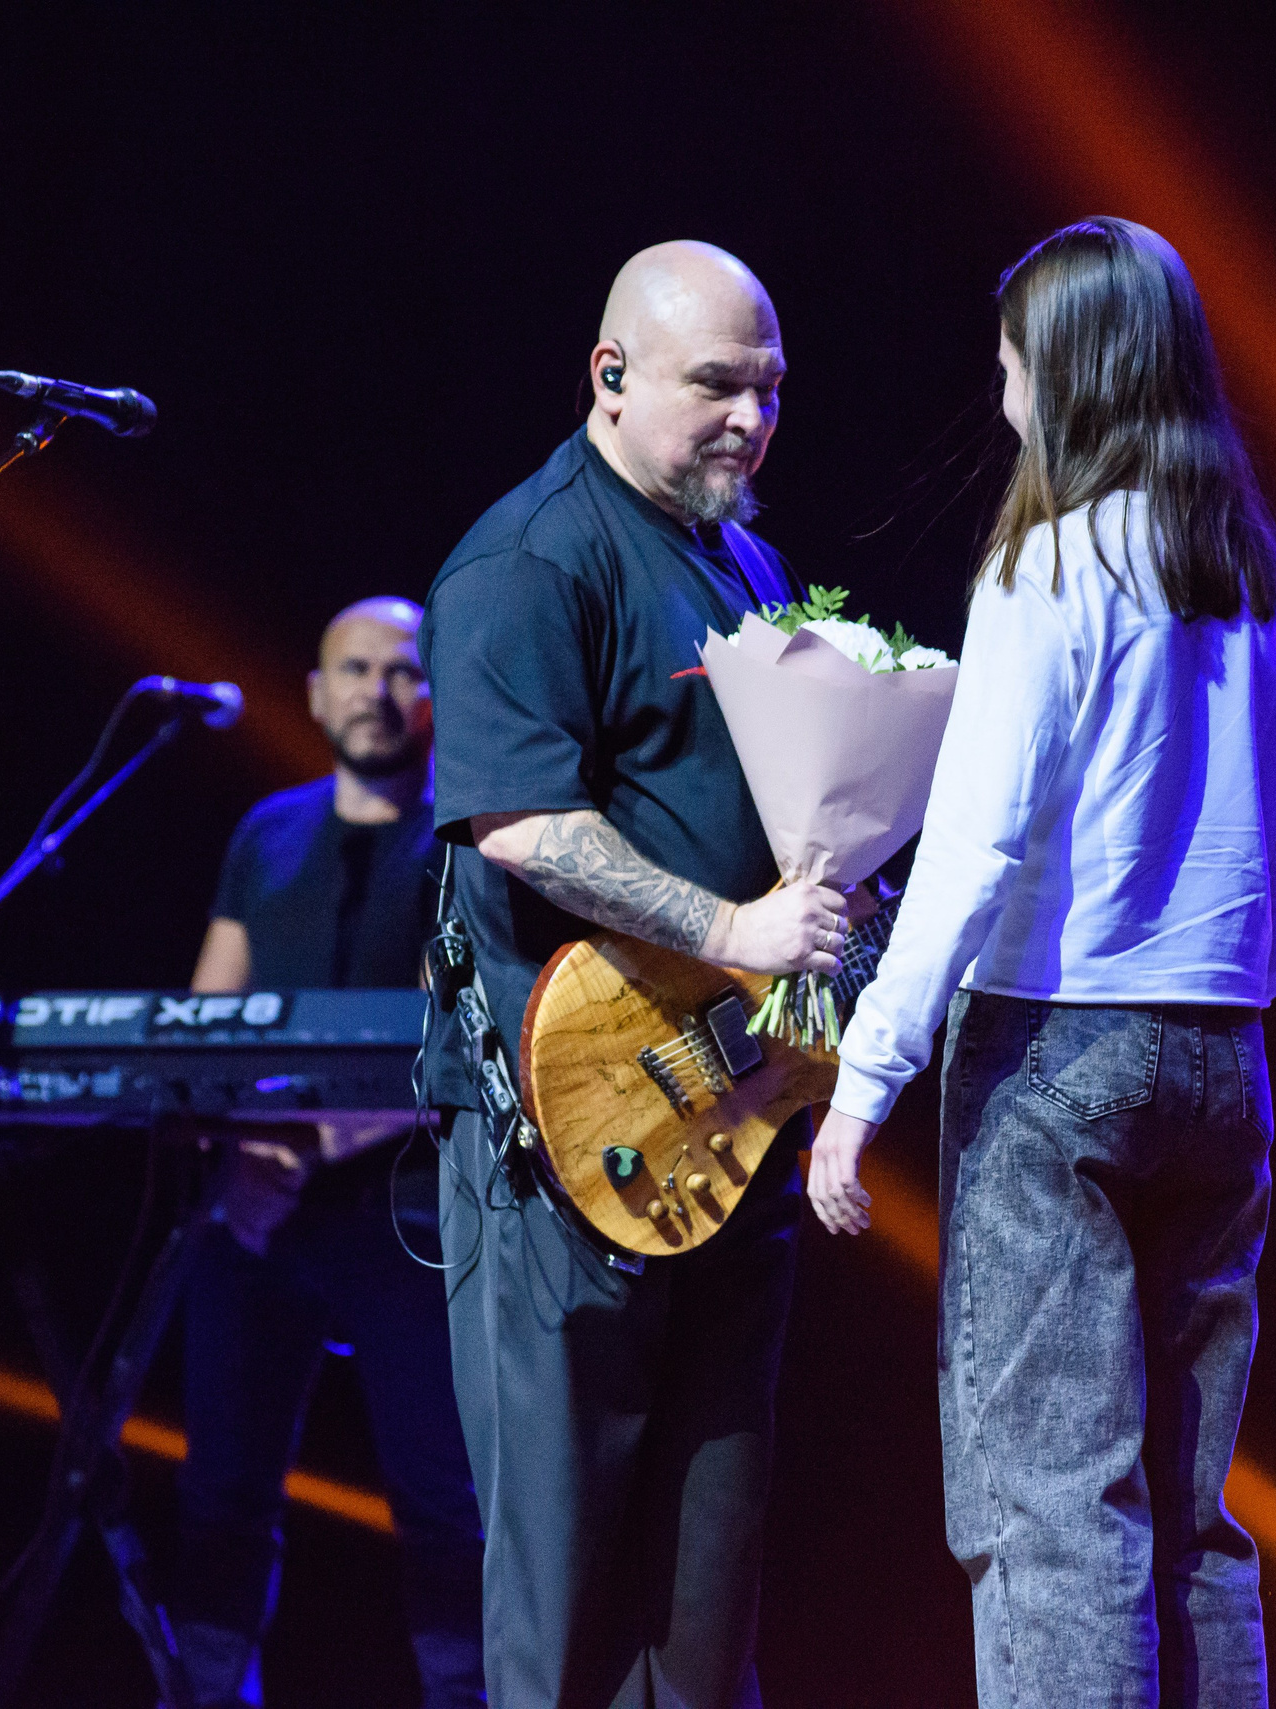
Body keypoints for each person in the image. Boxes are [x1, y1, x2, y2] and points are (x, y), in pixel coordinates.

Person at [807, 218, 1276, 1708]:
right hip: (1220, 1059)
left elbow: (974, 852)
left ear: (1070, 375)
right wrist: (1209, 978)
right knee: (1192, 1517)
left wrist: (862, 1082)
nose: (1001, 402)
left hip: (1054, 1056)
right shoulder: (1264, 584)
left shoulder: (1046, 568)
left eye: (1010, 368)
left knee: (1052, 1513)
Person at [419, 240, 855, 1708]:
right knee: (565, 1590)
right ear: (610, 376)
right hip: (564, 1137)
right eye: (715, 385)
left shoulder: (744, 554)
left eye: (771, 387)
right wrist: (738, 935)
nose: (751, 417)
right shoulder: (531, 558)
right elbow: (523, 821)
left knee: (707, 1603)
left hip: (724, 1119)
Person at [173, 597, 484, 1708]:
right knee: (219, 1486)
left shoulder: (464, 836)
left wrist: (303, 1144)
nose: (376, 690)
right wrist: (235, 1137)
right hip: (257, 1208)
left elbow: (451, 1034)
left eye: (400, 671)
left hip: (403, 1214)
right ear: (314, 691)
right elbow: (206, 1020)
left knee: (443, 1496)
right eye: (353, 669)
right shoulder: (268, 831)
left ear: (432, 694)